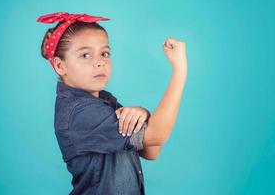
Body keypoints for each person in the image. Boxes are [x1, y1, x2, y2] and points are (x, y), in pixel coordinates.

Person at [37, 12, 187, 195]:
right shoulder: (80, 112)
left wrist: (143, 113)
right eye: (85, 55)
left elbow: (151, 151)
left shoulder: (103, 100)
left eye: (105, 53)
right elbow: (157, 135)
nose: (100, 62)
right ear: (60, 66)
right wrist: (180, 71)